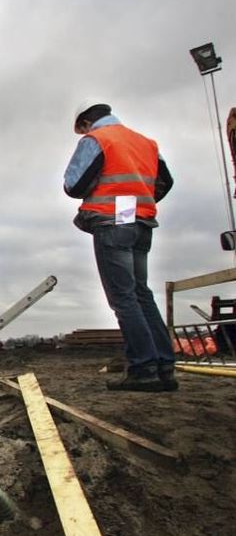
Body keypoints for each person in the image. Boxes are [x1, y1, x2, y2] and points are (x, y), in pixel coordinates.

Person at [64, 99, 176, 392]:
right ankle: (164, 366)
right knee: (141, 293)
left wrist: (114, 202)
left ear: (86, 123)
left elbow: (73, 185)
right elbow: (165, 182)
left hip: (112, 224)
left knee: (123, 298)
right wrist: (136, 203)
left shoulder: (97, 140)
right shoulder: (146, 143)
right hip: (141, 224)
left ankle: (143, 369)